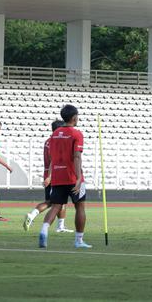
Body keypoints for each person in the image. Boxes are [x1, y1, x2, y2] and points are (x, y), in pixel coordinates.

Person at [38, 105, 90, 249]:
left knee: (55, 206)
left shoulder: (54, 135)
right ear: (74, 117)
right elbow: (77, 156)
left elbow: (52, 157)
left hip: (58, 176)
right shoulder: (76, 133)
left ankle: (44, 231)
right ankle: (79, 241)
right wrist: (79, 178)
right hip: (72, 176)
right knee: (80, 207)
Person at [24, 120, 70, 234]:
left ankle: (61, 226)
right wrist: (50, 176)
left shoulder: (48, 141)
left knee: (56, 201)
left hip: (49, 173)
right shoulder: (56, 142)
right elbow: (54, 160)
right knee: (54, 202)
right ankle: (33, 215)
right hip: (55, 174)